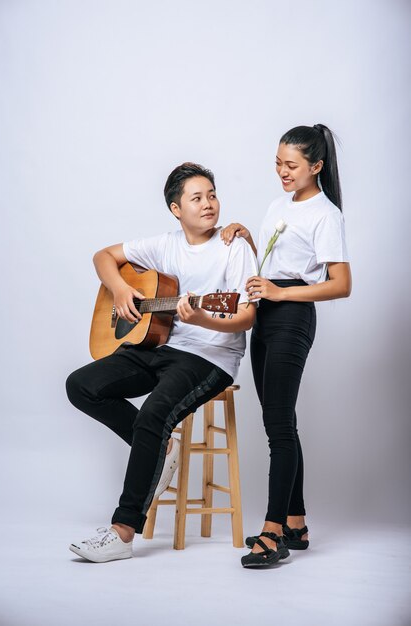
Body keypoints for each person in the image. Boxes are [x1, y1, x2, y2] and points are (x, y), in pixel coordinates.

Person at [66, 162, 258, 563]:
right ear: (176, 209)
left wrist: (203, 317)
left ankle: (122, 531)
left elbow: (246, 315)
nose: (208, 204)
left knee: (154, 412)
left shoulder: (233, 247)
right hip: (161, 346)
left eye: (212, 194)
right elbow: (103, 256)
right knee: (81, 385)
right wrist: (120, 288)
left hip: (210, 356)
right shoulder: (164, 245)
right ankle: (159, 448)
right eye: (197, 197)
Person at [221, 124, 352, 568]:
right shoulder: (281, 204)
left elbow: (341, 284)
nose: (282, 171)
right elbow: (279, 261)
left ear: (316, 166)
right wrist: (248, 239)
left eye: (291, 165)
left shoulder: (326, 213)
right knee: (280, 420)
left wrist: (279, 293)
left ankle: (273, 532)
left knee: (278, 427)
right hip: (266, 316)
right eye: (278, 162)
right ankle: (296, 522)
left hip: (292, 317)